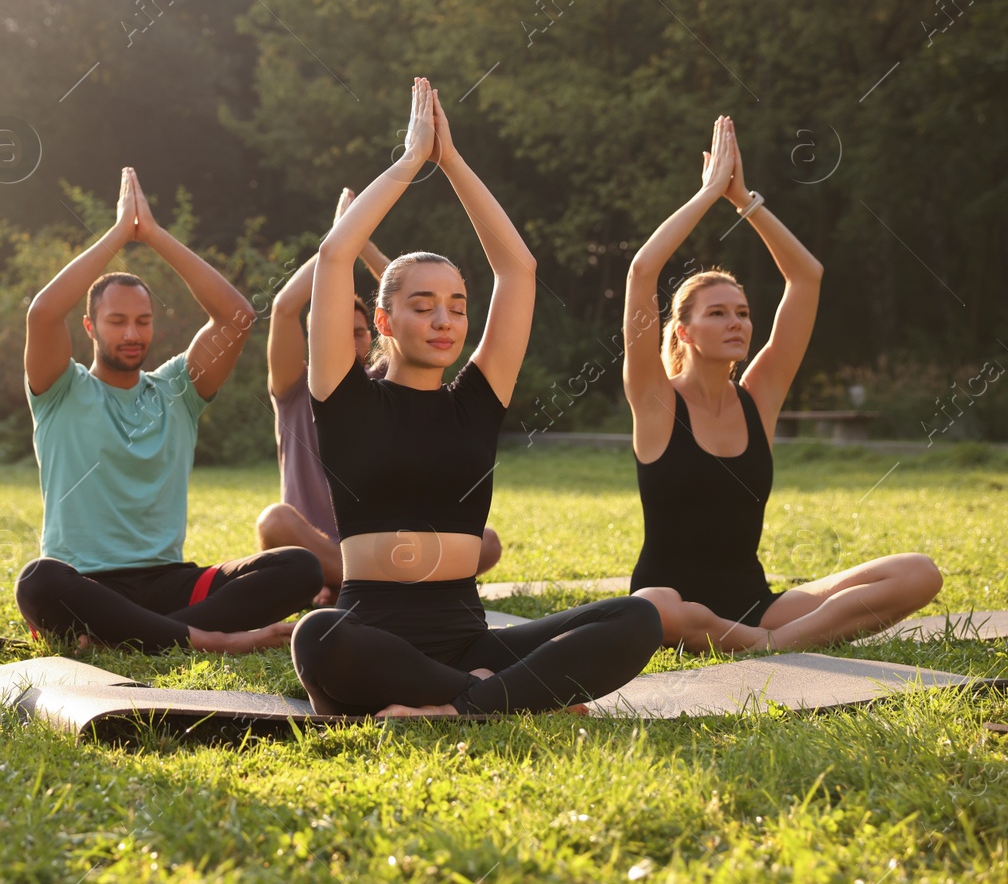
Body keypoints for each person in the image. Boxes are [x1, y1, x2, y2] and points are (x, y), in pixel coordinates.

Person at [290, 79, 663, 716]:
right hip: (371, 630)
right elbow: (333, 257)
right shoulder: (345, 395)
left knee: (637, 618)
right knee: (315, 636)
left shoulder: (476, 398)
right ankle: (505, 697)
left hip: (467, 636)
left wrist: (453, 162)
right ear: (383, 323)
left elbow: (518, 270)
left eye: (457, 308)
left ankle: (462, 701)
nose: (444, 321)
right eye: (423, 306)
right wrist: (411, 161)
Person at [624, 115, 941, 652]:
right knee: (654, 607)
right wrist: (707, 195)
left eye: (743, 313)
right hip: (674, 605)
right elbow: (641, 272)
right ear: (684, 330)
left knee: (919, 572)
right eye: (719, 313)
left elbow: (806, 276)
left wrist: (744, 199)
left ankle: (768, 642)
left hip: (757, 602)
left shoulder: (759, 396)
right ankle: (777, 642)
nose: (737, 323)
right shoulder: (656, 400)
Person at [14, 167, 323, 654]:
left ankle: (133, 637)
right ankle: (207, 639)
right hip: (87, 586)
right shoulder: (59, 389)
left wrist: (154, 236)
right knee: (37, 580)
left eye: (143, 321)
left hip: (168, 584)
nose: (132, 335)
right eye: (117, 322)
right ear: (91, 328)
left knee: (299, 567)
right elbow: (43, 313)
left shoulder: (179, 389)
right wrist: (118, 235)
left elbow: (237, 316)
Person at [258, 187, 501, 605]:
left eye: (357, 332)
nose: (347, 340)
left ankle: (343, 581)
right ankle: (359, 578)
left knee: (489, 540)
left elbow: (413, 297)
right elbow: (283, 308)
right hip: (316, 542)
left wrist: (361, 243)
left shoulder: (382, 386)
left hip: (385, 543)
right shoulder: (295, 386)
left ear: (375, 329)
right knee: (274, 521)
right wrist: (338, 241)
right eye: (334, 332)